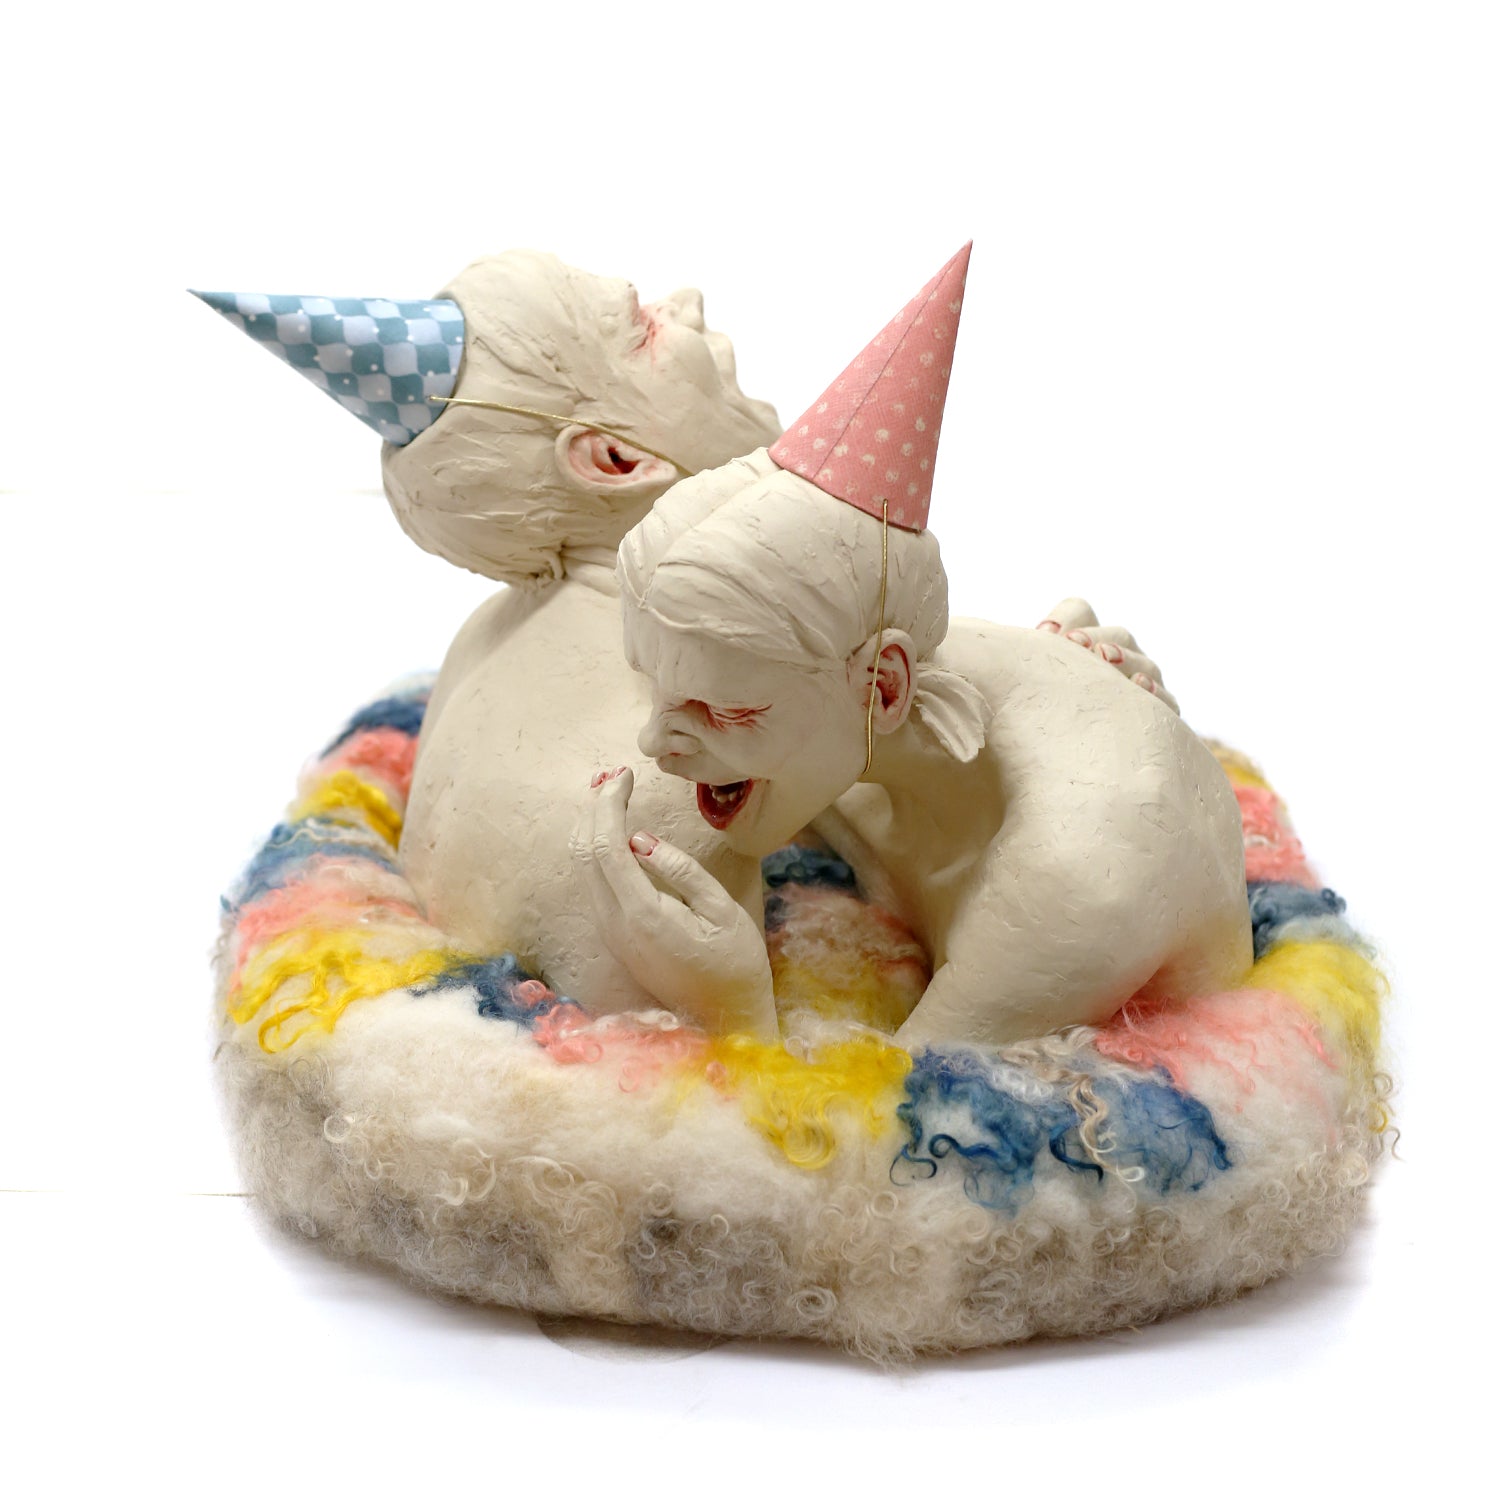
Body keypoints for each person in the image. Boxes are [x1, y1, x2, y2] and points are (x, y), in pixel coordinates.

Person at [576, 248, 1252, 1046]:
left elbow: (884, 1115)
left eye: (722, 708)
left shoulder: (1075, 875)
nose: (653, 740)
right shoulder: (838, 696)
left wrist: (730, 1007)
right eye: (654, 682)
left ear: (885, 687)